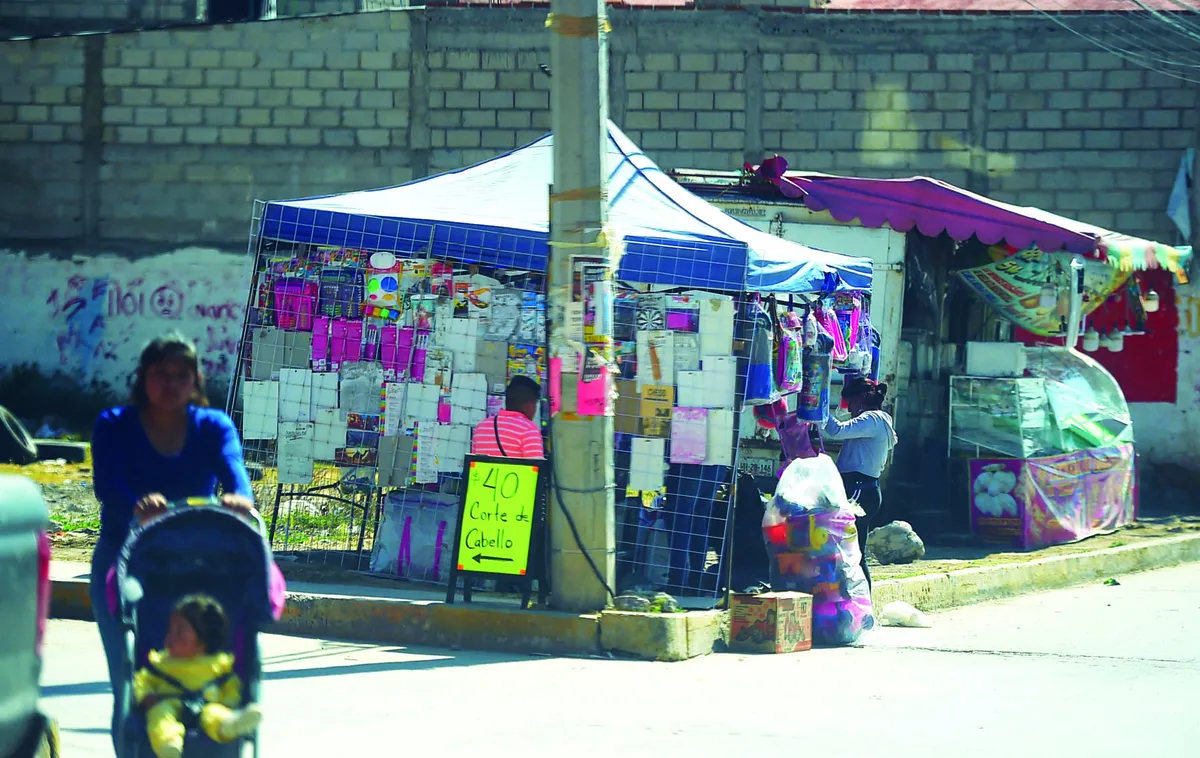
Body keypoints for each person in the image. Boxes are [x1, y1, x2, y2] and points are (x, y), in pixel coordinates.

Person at [91, 332, 256, 755]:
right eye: (160, 373)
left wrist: (239, 498)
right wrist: (136, 506)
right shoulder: (114, 424)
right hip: (125, 564)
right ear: (142, 377)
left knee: (212, 677)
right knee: (130, 681)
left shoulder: (213, 426)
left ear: (196, 380)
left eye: (181, 375)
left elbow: (234, 470)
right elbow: (108, 485)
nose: (170, 383)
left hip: (198, 567)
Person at [133, 594, 263, 758]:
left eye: (180, 632)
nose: (171, 637)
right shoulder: (161, 663)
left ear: (202, 640)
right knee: (160, 715)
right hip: (168, 702)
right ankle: (169, 746)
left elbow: (231, 684)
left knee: (214, 713)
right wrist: (146, 696)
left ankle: (230, 725)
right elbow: (143, 680)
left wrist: (230, 701)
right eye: (170, 631)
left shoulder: (218, 665)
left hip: (208, 704)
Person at [822, 377, 898, 591]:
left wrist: (816, 406)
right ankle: (859, 602)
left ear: (862, 398)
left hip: (858, 490)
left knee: (848, 552)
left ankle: (858, 602)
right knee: (853, 552)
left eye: (851, 403)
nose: (849, 409)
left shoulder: (872, 419)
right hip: (864, 489)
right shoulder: (880, 420)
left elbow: (836, 430)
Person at [470, 375, 545, 459]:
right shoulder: (528, 430)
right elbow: (536, 465)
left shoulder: (481, 427)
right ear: (529, 404)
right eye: (535, 403)